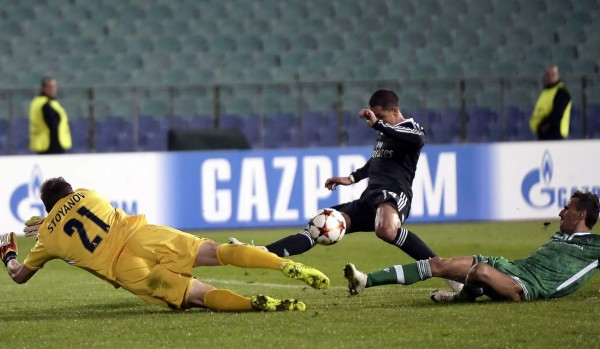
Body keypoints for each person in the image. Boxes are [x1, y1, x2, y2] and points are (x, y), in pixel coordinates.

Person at [229, 89, 462, 292]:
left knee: (386, 230)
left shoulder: (412, 129)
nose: (378, 121)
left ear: (395, 110)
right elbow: (376, 162)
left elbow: (416, 141)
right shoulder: (385, 133)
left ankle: (444, 269)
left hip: (393, 195)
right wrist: (351, 178)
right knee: (319, 225)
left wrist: (378, 124)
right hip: (369, 198)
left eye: (381, 116)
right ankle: (261, 251)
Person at [0, 177, 330, 312]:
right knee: (215, 251)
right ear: (70, 191)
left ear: (46, 207)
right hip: (146, 236)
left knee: (197, 295)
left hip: (129, 269)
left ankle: (254, 304)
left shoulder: (46, 239)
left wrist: (8, 253)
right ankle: (283, 263)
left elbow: (19, 275)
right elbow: (76, 213)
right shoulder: (88, 194)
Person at [344, 190, 600, 303]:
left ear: (580, 216)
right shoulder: (560, 236)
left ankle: (460, 298)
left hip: (525, 287)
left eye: (567, 208)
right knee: (439, 264)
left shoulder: (594, 247)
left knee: (480, 272)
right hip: (510, 267)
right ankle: (365, 280)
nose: (560, 212)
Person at [29, 77, 72, 154]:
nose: (54, 89)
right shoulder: (45, 104)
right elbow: (52, 124)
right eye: (51, 87)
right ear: (44, 88)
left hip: (48, 143)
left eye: (54, 86)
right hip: (49, 144)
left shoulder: (51, 102)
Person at [529, 65, 572, 140]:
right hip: (543, 135)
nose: (549, 77)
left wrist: (543, 125)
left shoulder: (561, 92)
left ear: (557, 75)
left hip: (556, 135)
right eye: (548, 74)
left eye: (552, 74)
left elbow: (556, 114)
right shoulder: (545, 92)